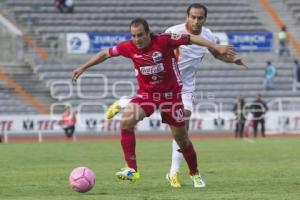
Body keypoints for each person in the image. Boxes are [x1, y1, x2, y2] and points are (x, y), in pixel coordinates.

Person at [72, 18, 235, 188]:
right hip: (147, 95)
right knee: (126, 122)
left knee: (182, 139)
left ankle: (194, 173)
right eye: (134, 36)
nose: (137, 39)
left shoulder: (164, 41)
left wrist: (216, 47)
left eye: (140, 35)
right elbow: (105, 53)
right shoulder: (128, 47)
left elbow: (191, 38)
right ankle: (132, 170)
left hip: (171, 96)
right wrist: (83, 67)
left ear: (148, 33)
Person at [105, 3, 246, 188]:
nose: (196, 21)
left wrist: (232, 59)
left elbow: (217, 53)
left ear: (205, 19)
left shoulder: (209, 35)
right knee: (174, 128)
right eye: (193, 17)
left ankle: (174, 172)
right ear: (187, 17)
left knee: (182, 132)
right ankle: (128, 102)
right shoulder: (173, 31)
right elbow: (155, 50)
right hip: (165, 82)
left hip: (185, 87)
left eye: (200, 18)